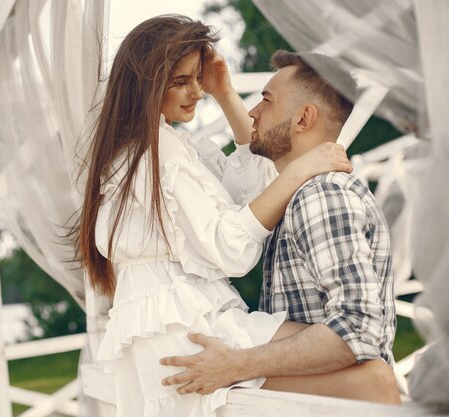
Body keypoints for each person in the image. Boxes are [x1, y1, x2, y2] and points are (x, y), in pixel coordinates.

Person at [72, 16, 394, 417]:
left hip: (196, 313)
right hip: (182, 326)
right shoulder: (156, 153)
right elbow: (230, 247)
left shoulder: (172, 146)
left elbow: (247, 187)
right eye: (181, 81)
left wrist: (224, 92)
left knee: (358, 360)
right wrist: (302, 167)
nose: (196, 92)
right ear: (148, 84)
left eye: (198, 79)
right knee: (370, 377)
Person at [160, 49, 400, 404]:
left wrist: (233, 366)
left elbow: (357, 326)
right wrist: (224, 93)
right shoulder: (299, 192)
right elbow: (245, 183)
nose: (253, 112)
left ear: (303, 119)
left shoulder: (321, 194)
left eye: (266, 102)